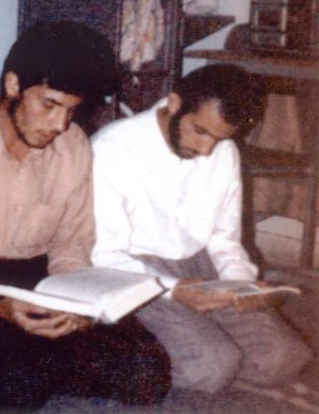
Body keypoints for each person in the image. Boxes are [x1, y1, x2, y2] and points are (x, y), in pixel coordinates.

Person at [0, 21, 171, 410]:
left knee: (148, 371)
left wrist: (78, 304)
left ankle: (35, 359)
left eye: (72, 110)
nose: (60, 125)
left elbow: (72, 243)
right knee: (16, 385)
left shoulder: (73, 145)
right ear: (13, 84)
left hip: (35, 276)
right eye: (49, 105)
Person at [91, 64, 313, 393]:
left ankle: (191, 342)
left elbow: (225, 238)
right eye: (200, 131)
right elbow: (104, 255)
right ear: (174, 103)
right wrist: (174, 290)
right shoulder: (112, 148)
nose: (206, 149)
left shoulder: (224, 151)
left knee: (284, 358)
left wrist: (239, 284)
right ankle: (128, 342)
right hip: (134, 271)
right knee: (214, 365)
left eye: (219, 138)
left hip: (199, 263)